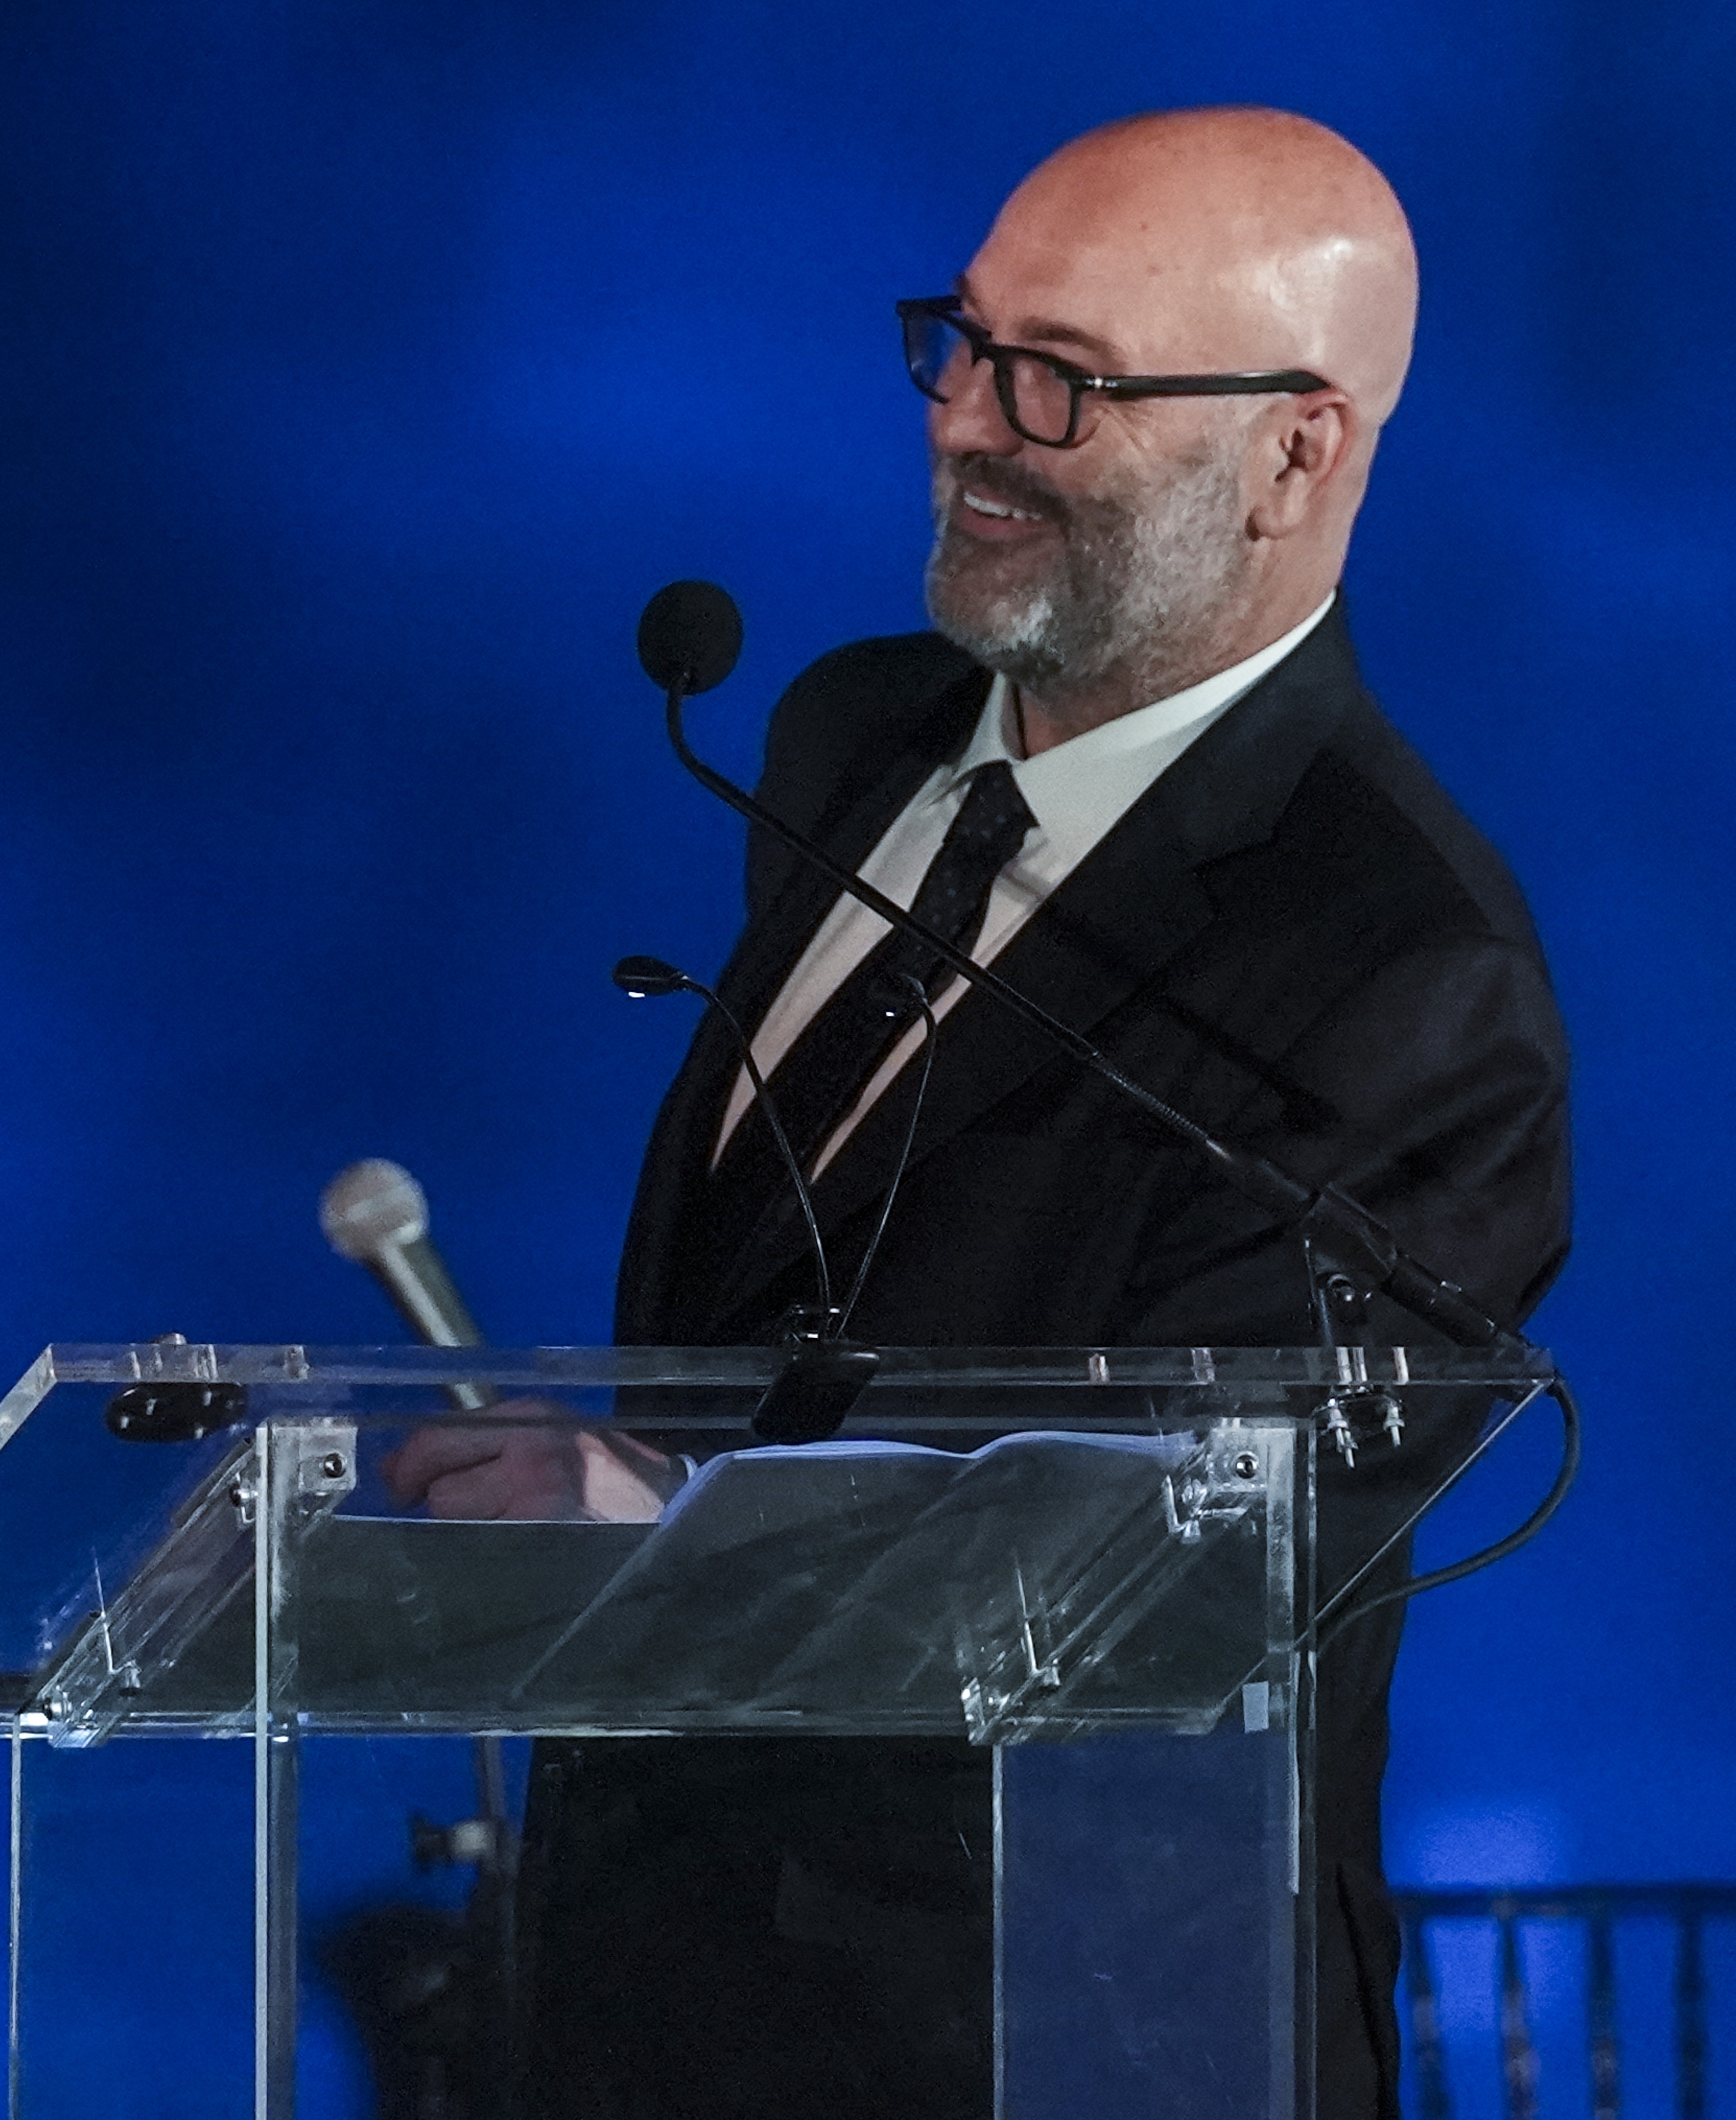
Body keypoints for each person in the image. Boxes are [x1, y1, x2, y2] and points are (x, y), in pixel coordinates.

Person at [387, 108, 1568, 2118]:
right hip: (641, 2002)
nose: (965, 424)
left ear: (1300, 449)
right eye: (963, 341)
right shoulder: (851, 736)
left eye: (1065, 382)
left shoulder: (1404, 979)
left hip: (1061, 2035)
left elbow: (1178, 1576)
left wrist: (668, 1536)